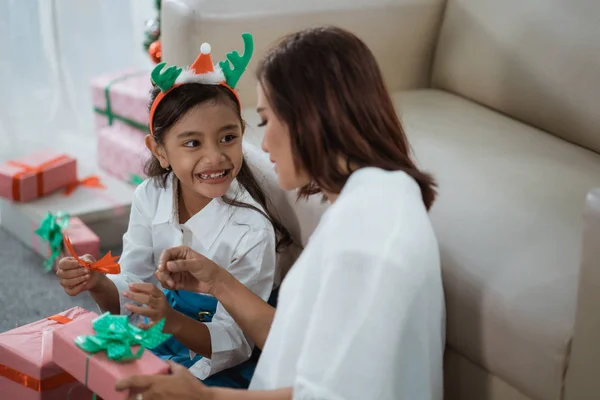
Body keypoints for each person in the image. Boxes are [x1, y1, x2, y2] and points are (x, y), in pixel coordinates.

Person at [115, 26, 446, 399]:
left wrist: (205, 397)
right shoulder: (380, 194)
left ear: (312, 119)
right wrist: (217, 282)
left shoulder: (364, 247)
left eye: (268, 120)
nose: (263, 142)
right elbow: (302, 340)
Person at [55, 34, 291, 388]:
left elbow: (237, 344)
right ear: (160, 151)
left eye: (228, 138)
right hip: (161, 335)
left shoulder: (251, 230)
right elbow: (133, 281)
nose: (214, 157)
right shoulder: (149, 196)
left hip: (218, 362)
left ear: (242, 133)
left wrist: (170, 320)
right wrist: (100, 283)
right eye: (192, 143)